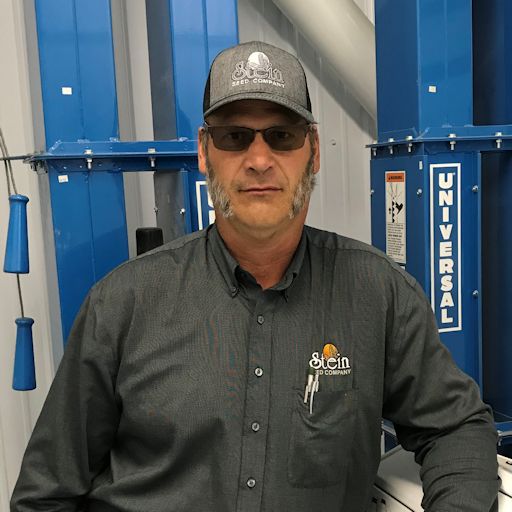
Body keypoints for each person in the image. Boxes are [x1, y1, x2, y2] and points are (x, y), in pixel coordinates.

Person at [11, 41, 499, 512]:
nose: (260, 159)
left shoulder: (378, 294)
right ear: (205, 152)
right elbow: (45, 496)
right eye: (234, 136)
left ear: (314, 150)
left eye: (282, 136)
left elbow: (456, 427)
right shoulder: (123, 304)